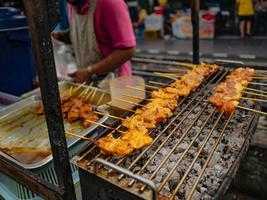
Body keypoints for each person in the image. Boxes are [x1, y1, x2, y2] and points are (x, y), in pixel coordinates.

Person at [53, 0, 136, 83]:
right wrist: (58, 36)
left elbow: (127, 51)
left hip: (115, 85)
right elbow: (82, 34)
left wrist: (89, 71)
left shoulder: (111, 3)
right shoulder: (72, 5)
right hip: (88, 83)